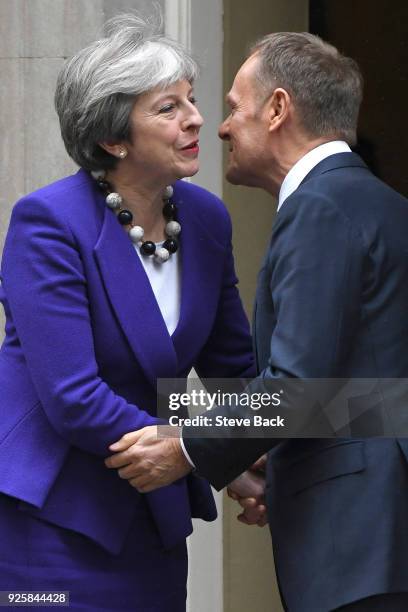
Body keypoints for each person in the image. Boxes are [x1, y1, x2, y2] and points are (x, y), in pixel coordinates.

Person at [106, 32, 408, 611]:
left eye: (232, 108)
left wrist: (190, 448)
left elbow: (294, 388)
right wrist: (265, 455)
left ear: (277, 109)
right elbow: (369, 393)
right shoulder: (381, 204)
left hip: (359, 543)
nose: (219, 128)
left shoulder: (319, 208)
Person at [0, 13, 256, 612]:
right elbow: (73, 395)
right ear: (114, 139)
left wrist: (244, 453)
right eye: (168, 108)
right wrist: (199, 452)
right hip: (53, 522)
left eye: (191, 100)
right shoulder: (48, 222)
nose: (196, 118)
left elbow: (234, 371)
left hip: (153, 518)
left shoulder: (207, 218)